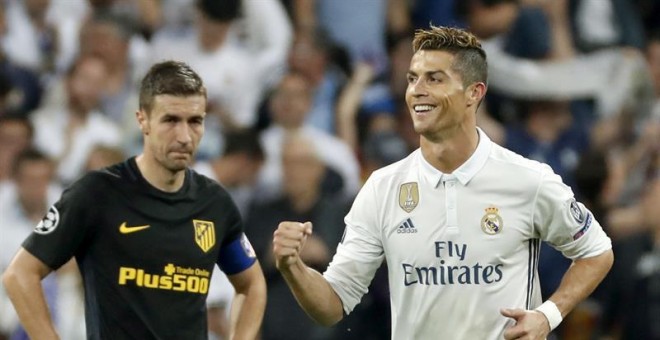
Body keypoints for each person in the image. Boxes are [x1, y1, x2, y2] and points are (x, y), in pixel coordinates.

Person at [272, 26, 614, 339]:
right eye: (412, 78)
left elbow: (596, 252)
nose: (416, 91)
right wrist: (294, 268)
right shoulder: (382, 187)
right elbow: (332, 305)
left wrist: (547, 315)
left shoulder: (528, 180)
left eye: (434, 79)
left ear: (474, 93)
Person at [1, 60, 266, 339]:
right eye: (171, 120)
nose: (185, 137)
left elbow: (252, 284)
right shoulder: (97, 193)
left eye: (195, 121)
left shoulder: (215, 203)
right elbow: (20, 275)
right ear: (143, 120)